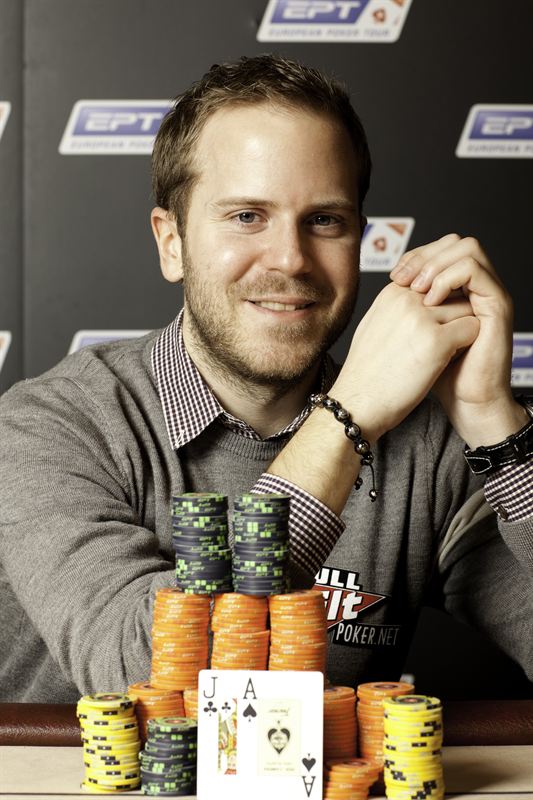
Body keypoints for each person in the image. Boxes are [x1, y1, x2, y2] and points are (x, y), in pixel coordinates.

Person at [0, 55, 531, 702]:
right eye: (247, 216)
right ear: (171, 243)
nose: (290, 259)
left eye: (324, 220)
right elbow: (154, 686)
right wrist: (347, 418)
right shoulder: (51, 427)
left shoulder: (428, 445)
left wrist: (497, 425)